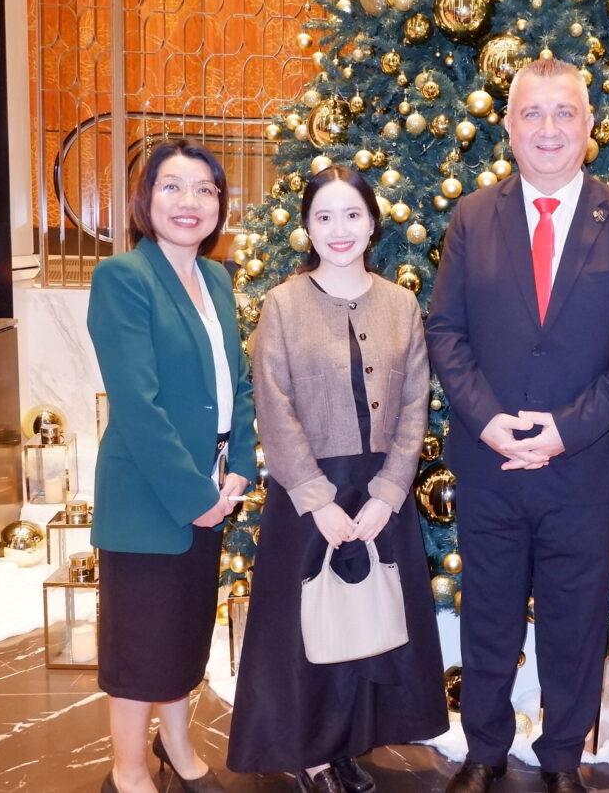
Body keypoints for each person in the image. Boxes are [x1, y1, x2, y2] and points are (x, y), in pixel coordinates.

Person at [426, 58, 609, 793]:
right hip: (490, 463)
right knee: (488, 617)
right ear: (508, 127)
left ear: (590, 125)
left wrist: (567, 430)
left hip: (584, 468)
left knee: (575, 621)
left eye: (565, 112)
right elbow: (446, 332)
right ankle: (485, 751)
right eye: (532, 113)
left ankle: (563, 757)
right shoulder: (473, 217)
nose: (549, 128)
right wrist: (487, 421)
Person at [227, 166, 448, 793]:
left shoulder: (401, 304)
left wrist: (389, 492)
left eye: (352, 214)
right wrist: (316, 499)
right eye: (324, 217)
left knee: (370, 623)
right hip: (309, 497)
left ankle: (348, 744)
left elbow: (415, 404)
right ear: (306, 227)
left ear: (373, 222)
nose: (339, 229)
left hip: (379, 494)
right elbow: (274, 406)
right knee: (306, 626)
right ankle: (310, 753)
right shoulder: (283, 304)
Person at [87, 139, 256, 793]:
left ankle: (176, 745)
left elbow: (236, 384)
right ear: (146, 198)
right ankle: (128, 768)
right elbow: (137, 404)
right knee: (140, 644)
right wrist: (195, 495)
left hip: (212, 486)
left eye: (205, 190)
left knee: (186, 631)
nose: (191, 202)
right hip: (149, 494)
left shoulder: (217, 279)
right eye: (173, 187)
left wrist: (239, 466)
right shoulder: (124, 277)